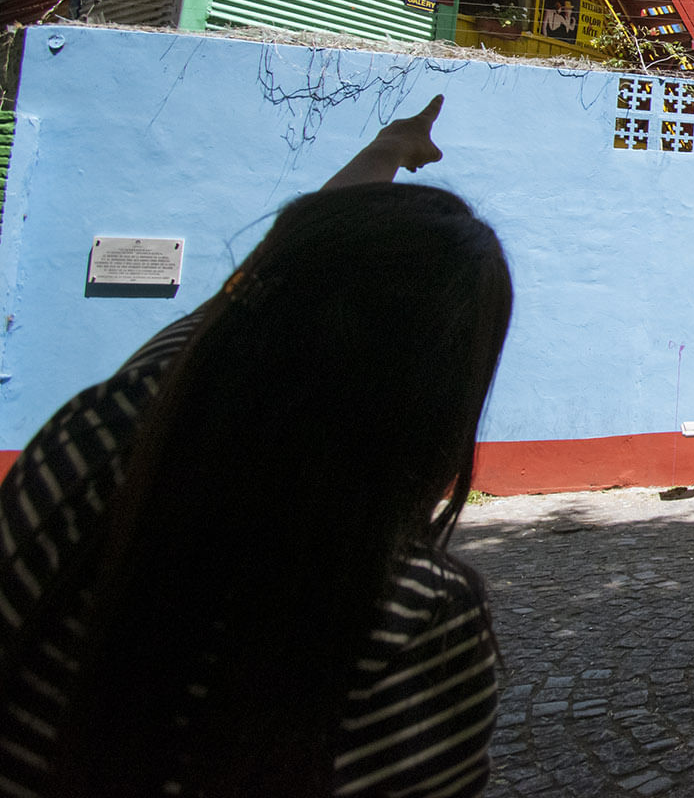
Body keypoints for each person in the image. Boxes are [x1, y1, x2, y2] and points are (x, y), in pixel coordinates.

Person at [0, 97, 512, 798]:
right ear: (437, 399)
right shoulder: (409, 614)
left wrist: (385, 154)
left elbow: (253, 300)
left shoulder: (96, 437)